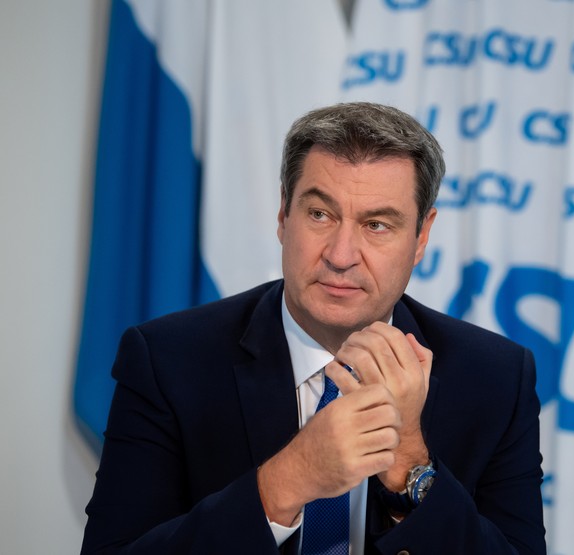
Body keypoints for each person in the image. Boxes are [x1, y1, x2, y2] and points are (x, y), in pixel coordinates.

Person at [81, 102, 546, 554]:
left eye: (377, 224)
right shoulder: (166, 359)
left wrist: (409, 459)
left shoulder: (497, 378)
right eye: (319, 214)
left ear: (421, 237)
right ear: (284, 215)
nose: (341, 255)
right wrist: (288, 480)